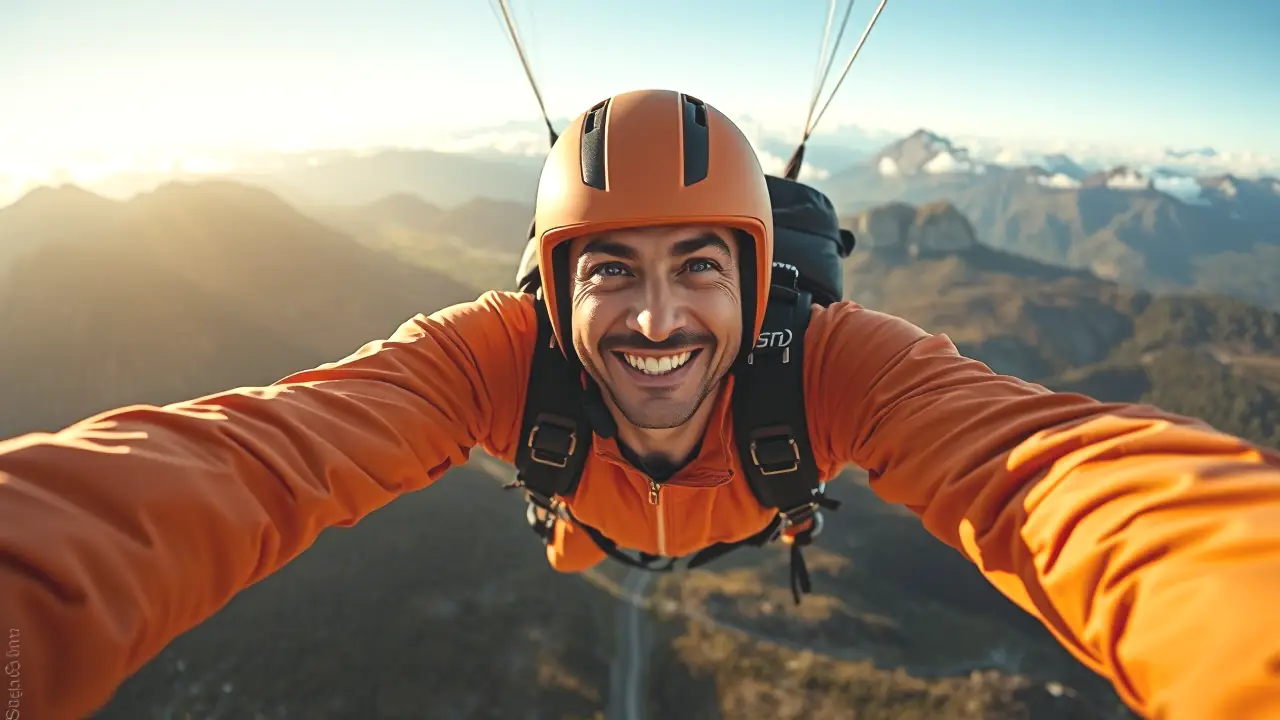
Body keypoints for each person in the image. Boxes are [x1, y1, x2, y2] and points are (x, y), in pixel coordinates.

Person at [1, 89, 1278, 720]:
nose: (656, 318)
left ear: (755, 277)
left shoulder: (832, 363)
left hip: (733, 514)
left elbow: (1045, 473)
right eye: (608, 269)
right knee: (572, 534)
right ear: (552, 288)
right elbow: (256, 460)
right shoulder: (493, 358)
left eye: (699, 267)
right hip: (595, 523)